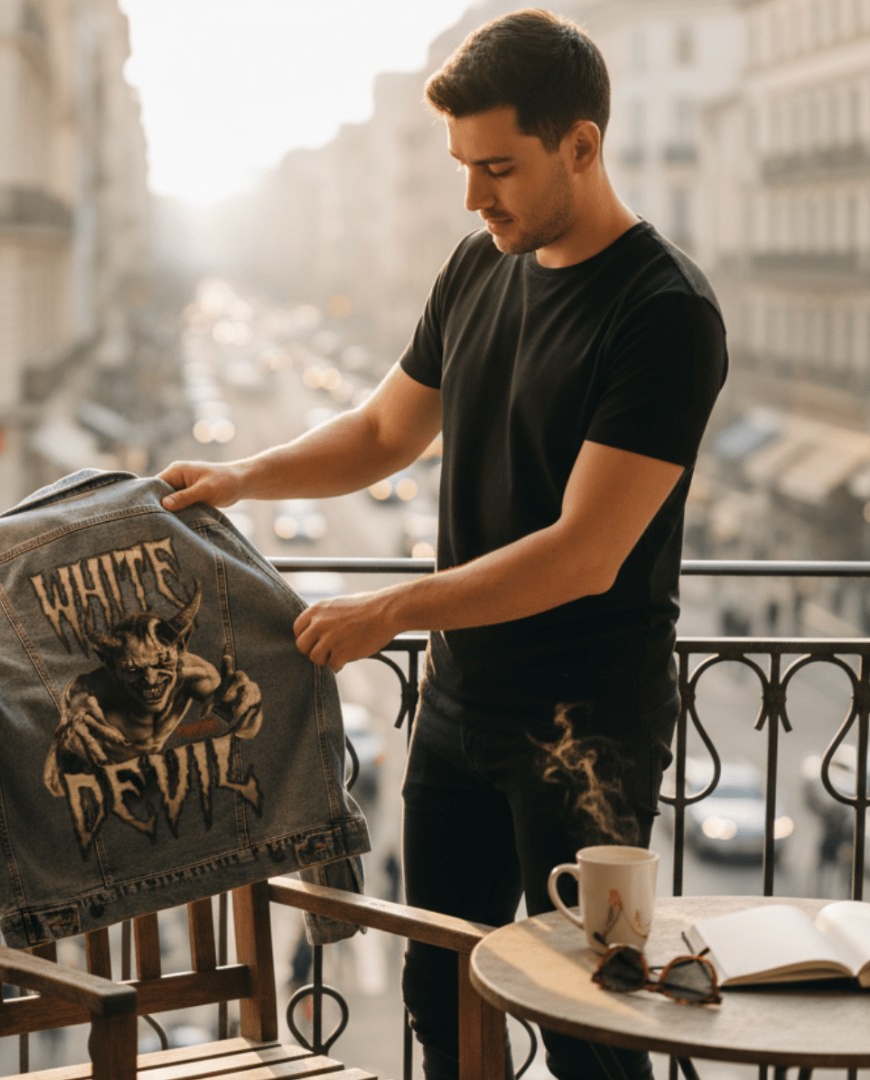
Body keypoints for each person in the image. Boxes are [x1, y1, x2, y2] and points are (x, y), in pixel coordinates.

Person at [158, 9, 727, 1079]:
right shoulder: (476, 268)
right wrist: (244, 475)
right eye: (463, 167)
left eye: (499, 167)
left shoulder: (663, 312)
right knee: (438, 994)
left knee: (588, 1025)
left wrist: (388, 612)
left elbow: (585, 553)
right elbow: (381, 431)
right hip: (460, 709)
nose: (475, 196)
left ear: (582, 145)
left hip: (585, 728)